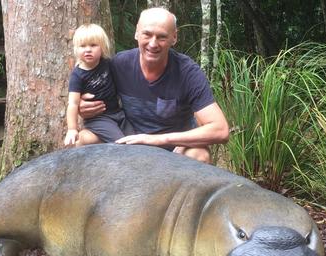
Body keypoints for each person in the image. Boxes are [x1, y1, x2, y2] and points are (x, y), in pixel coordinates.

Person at [78, 7, 229, 163]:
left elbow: (221, 130)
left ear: (174, 38)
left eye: (162, 37)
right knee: (85, 139)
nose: (153, 43)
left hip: (175, 148)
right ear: (137, 33)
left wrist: (159, 140)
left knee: (199, 155)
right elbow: (92, 95)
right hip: (130, 141)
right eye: (147, 34)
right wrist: (83, 106)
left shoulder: (188, 73)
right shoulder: (119, 64)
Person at [63, 23, 131, 147]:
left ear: (102, 47)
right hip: (98, 119)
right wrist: (72, 129)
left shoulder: (108, 64)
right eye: (82, 46)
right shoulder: (77, 75)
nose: (88, 49)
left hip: (118, 113)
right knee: (122, 143)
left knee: (135, 138)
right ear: (76, 49)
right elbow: (73, 103)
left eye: (93, 45)